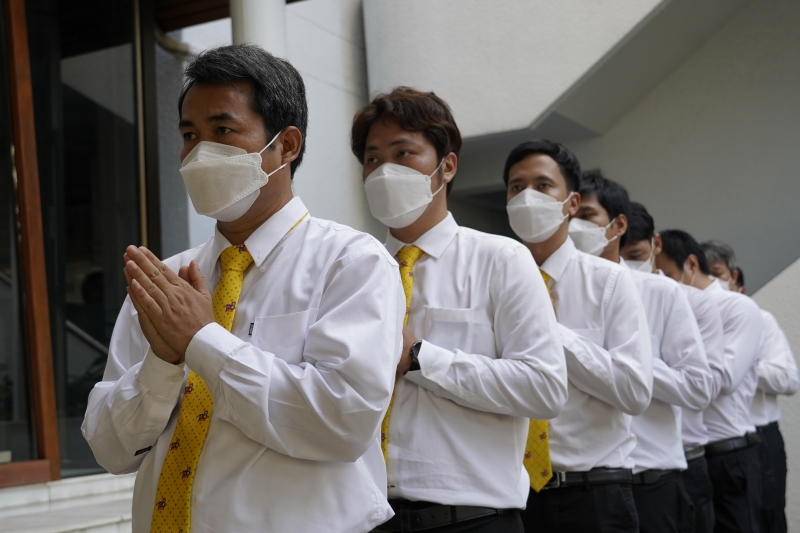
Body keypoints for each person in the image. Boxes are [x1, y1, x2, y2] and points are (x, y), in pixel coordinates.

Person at [82, 45, 406, 533]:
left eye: (223, 131)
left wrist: (204, 341)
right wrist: (163, 364)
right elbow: (109, 449)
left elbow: (343, 422)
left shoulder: (352, 263)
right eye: (189, 135)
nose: (199, 152)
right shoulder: (164, 284)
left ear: (286, 145)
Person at [352, 89, 568, 533]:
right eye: (372, 159)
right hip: (366, 515)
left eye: (403, 153)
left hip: (471, 518)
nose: (384, 171)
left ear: (446, 166)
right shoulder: (354, 269)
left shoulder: (500, 259)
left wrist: (419, 358)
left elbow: (545, 387)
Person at [504, 140, 652, 533]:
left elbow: (635, 390)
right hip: (511, 495)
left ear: (570, 203)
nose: (527, 197)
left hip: (595, 494)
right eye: (516, 188)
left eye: (542, 185)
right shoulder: (495, 279)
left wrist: (548, 331)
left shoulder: (610, 281)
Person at [576, 181, 712, 533]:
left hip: (650, 481)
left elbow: (698, 388)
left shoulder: (660, 292)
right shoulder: (546, 290)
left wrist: (628, 364)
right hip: (579, 489)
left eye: (587, 215)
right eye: (570, 213)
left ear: (617, 226)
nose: (575, 224)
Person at [622, 204, 725, 533]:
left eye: (635, 253)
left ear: (655, 244)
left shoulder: (688, 300)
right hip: (609, 477)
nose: (626, 265)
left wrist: (626, 359)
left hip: (676, 462)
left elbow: (705, 385)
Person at [655, 232, 764, 532]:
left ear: (691, 264)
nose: (660, 281)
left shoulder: (737, 307)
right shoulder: (665, 306)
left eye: (666, 273)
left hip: (729, 456)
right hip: (686, 457)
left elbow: (721, 380)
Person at [733, 270, 798, 533]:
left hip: (761, 439)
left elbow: (788, 380)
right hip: (715, 446)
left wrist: (740, 363)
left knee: (769, 520)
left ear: (738, 282)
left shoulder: (762, 320)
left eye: (718, 274)